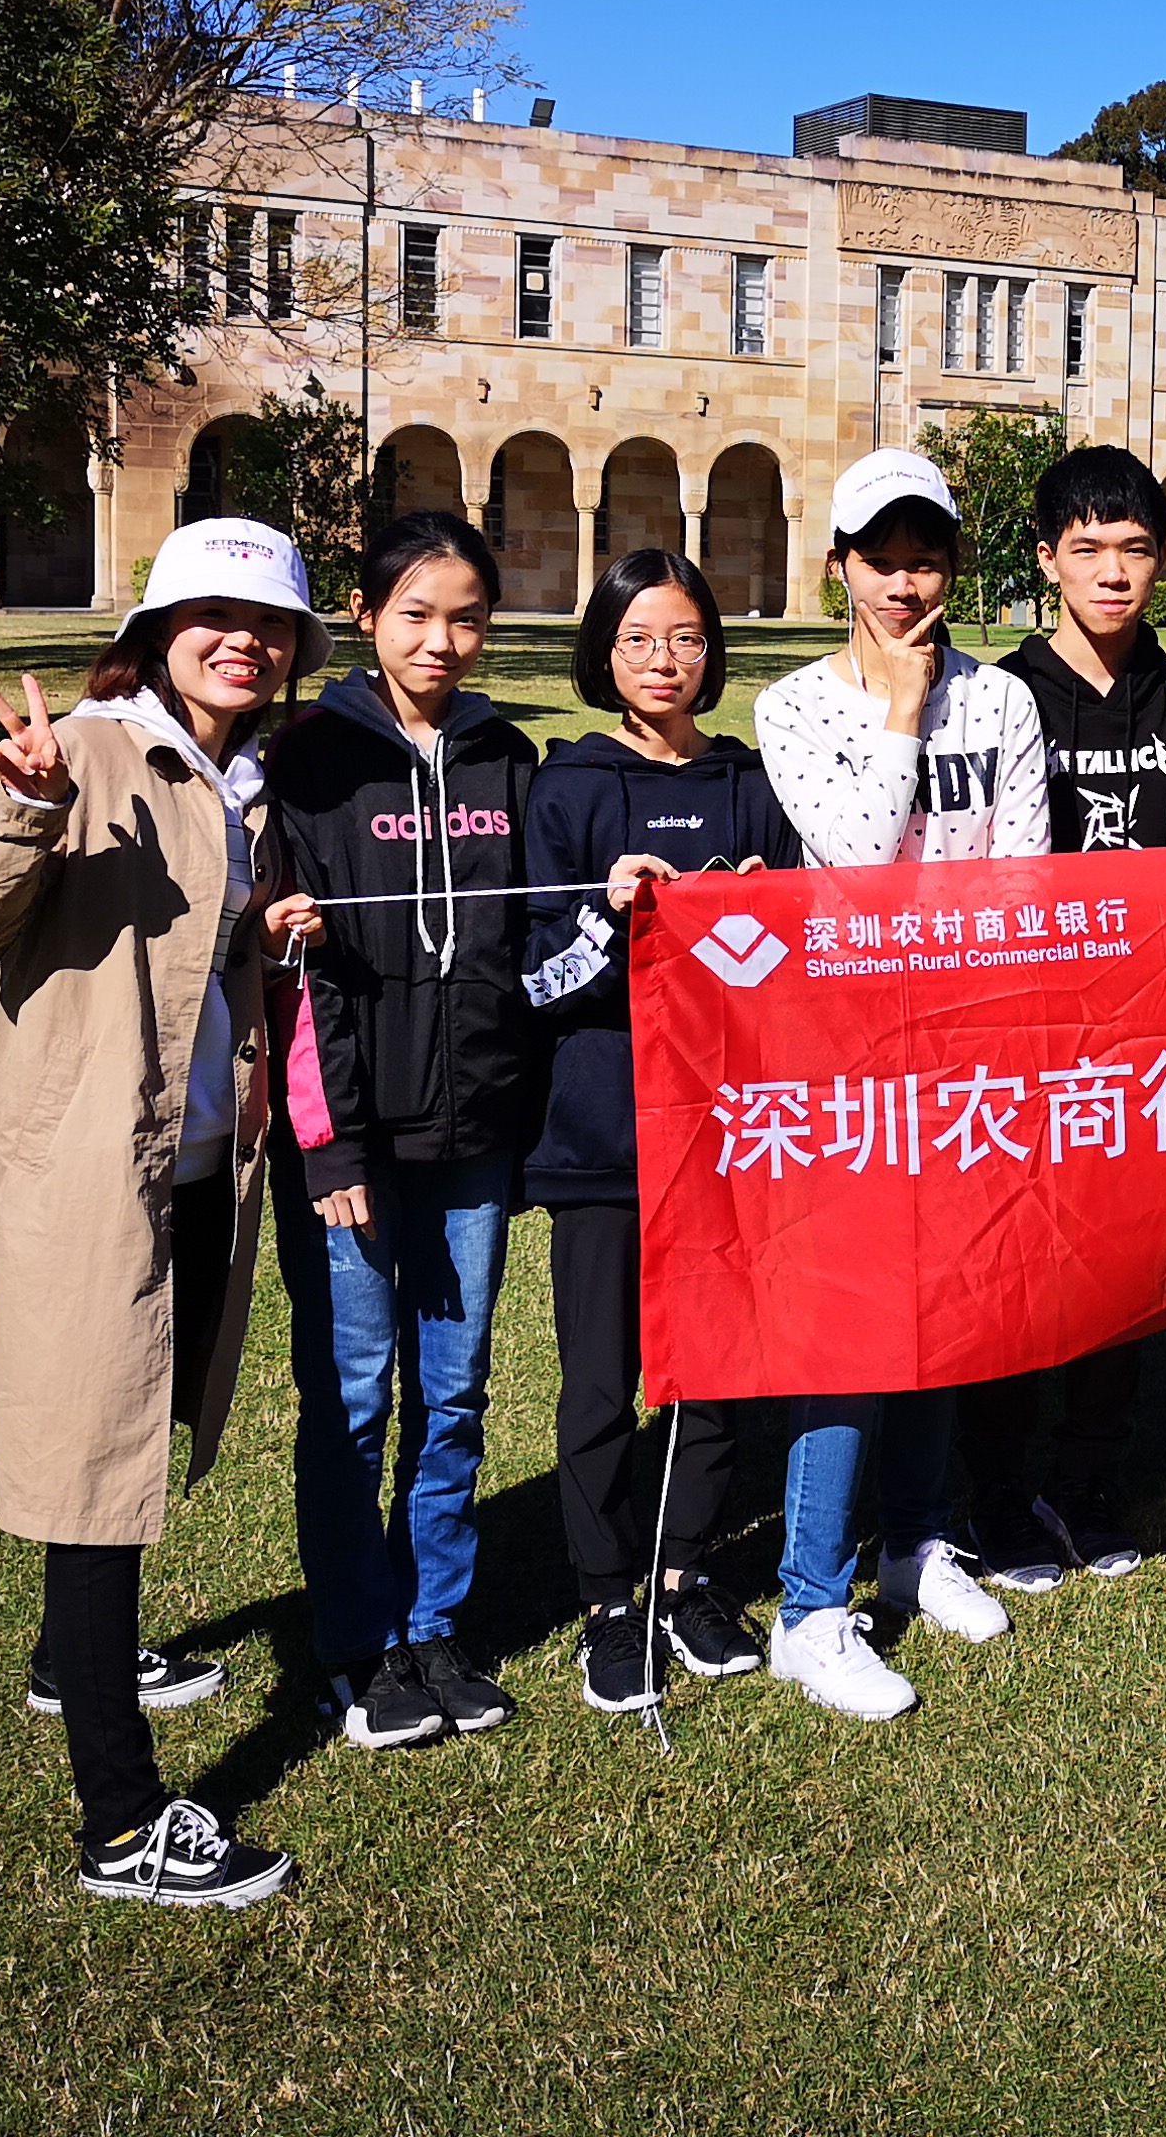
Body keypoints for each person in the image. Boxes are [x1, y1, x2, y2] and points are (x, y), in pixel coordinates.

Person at [0, 516, 318, 1910]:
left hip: (202, 1156)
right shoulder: (89, 753)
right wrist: (25, 811)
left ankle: (70, 1659)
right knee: (96, 1462)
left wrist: (262, 935)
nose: (243, 642)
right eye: (216, 617)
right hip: (95, 1167)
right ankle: (121, 1821)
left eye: (269, 625)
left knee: (140, 1415)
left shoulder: (246, 777)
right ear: (157, 633)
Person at [748, 449, 1052, 1718]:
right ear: (841, 567)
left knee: (945, 1309)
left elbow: (1022, 882)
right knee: (851, 1327)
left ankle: (917, 1543)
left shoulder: (1005, 701)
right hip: (844, 1058)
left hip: (964, 1048)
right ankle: (810, 1607)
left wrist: (974, 1009)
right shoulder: (792, 707)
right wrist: (904, 706)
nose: (906, 583)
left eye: (927, 558)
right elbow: (863, 857)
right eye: (881, 559)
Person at [261, 513, 536, 1752]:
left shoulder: (504, 754)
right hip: (355, 1147)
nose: (441, 641)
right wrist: (330, 1148)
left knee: (457, 1393)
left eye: (466, 618)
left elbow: (531, 937)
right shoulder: (309, 760)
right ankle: (357, 1642)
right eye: (416, 614)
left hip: (474, 1135)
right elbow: (292, 980)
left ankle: (434, 1625)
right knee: (356, 1399)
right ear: (367, 617)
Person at [523, 550, 800, 1715]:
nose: (663, 660)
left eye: (685, 637)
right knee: (601, 1384)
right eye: (637, 638)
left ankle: (685, 1579)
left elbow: (792, 965)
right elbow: (535, 981)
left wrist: (764, 906)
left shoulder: (749, 783)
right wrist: (608, 913)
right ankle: (606, 1600)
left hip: (725, 1133)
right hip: (601, 1136)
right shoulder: (567, 789)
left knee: (715, 1373)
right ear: (603, 652)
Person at [963, 445, 1166, 1591]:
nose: (1113, 572)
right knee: (1017, 1268)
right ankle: (998, 1497)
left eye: (1136, 549)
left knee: (1127, 1271)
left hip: (1148, 1034)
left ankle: (1089, 1480)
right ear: (1046, 558)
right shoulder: (997, 696)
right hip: (1027, 1033)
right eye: (1088, 548)